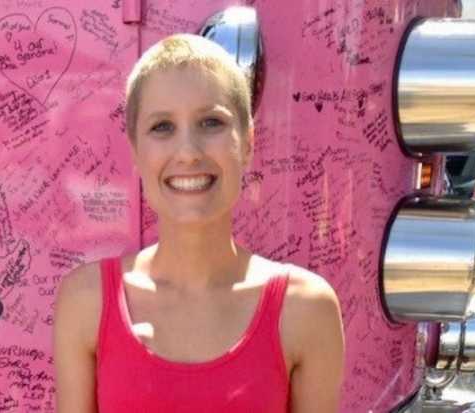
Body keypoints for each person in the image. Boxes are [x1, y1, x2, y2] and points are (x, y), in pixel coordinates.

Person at [53, 34, 344, 412]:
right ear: (135, 150)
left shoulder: (305, 307)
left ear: (249, 142)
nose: (188, 152)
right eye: (162, 127)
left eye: (211, 122)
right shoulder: (86, 302)